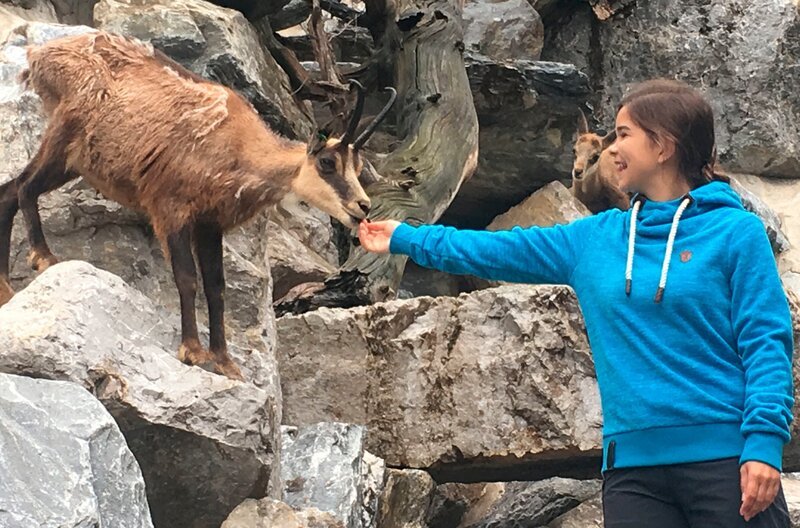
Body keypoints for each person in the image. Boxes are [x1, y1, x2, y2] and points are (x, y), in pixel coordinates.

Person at [357, 79, 794, 527]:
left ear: (663, 145)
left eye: (623, 134)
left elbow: (766, 342)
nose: (612, 148)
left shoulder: (735, 232)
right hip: (632, 473)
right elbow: (495, 250)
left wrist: (763, 443)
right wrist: (406, 237)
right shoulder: (595, 238)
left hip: (726, 462)